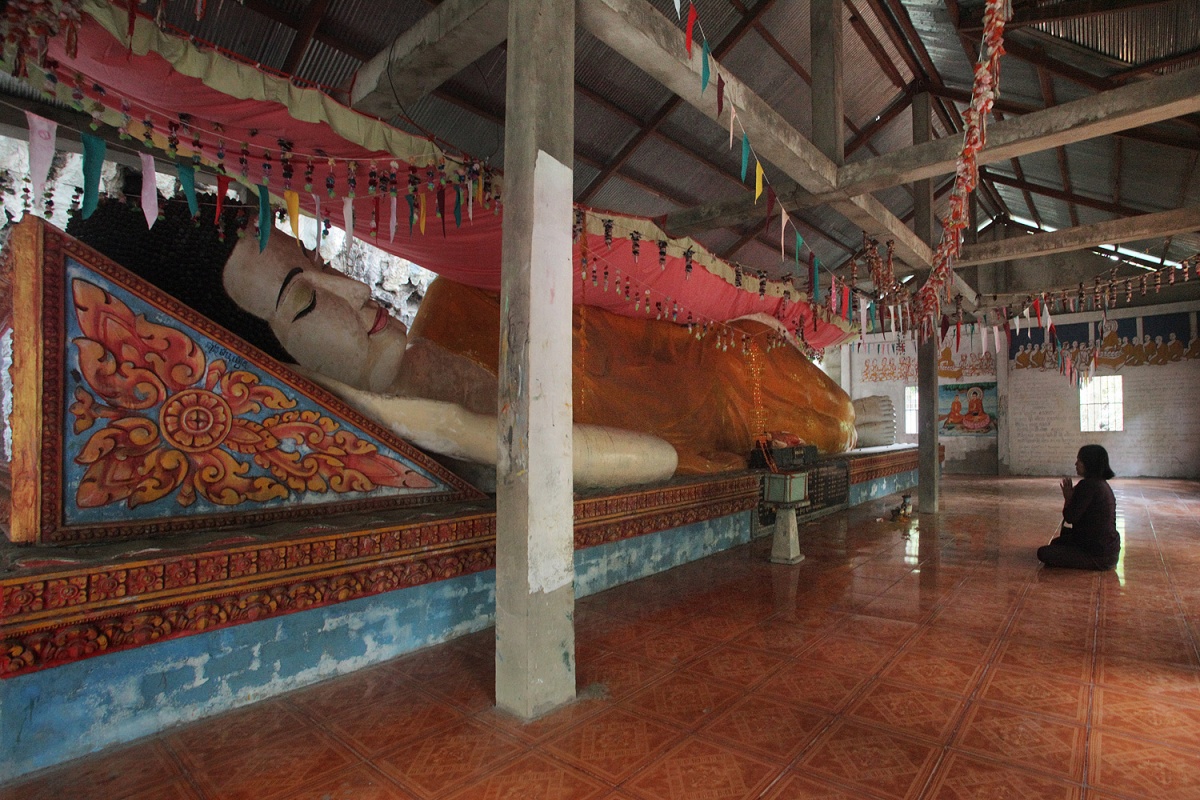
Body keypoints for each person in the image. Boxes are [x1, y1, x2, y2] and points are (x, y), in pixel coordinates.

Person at [67, 192, 856, 487]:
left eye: (321, 264)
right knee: (797, 405)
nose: (356, 291)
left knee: (821, 411)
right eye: (305, 302)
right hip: (709, 416)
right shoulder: (418, 428)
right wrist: (356, 405)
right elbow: (647, 458)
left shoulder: (454, 299)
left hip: (717, 368)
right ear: (273, 363)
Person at [1037, 444, 1120, 570]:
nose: (1076, 464)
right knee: (1057, 543)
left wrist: (1068, 498)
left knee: (1043, 553)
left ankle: (1091, 562)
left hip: (1098, 554)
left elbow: (1070, 517)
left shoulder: (1088, 486)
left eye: (1079, 460)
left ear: (1089, 463)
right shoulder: (1100, 483)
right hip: (1109, 548)